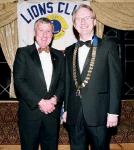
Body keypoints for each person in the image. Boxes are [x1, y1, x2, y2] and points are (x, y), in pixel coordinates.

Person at [63, 4, 122, 150]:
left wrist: (113, 112)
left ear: (94, 22)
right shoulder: (70, 50)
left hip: (100, 114)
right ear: (75, 25)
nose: (83, 22)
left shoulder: (108, 47)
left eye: (87, 18)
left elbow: (116, 81)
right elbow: (67, 82)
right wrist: (65, 109)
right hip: (74, 114)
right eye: (79, 19)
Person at [13, 17, 64, 150]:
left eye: (48, 31)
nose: (45, 35)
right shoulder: (23, 53)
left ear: (52, 35)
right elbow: (19, 81)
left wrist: (54, 99)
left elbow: (63, 81)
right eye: (41, 30)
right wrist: (40, 102)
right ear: (35, 33)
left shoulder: (59, 55)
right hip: (30, 114)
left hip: (52, 114)